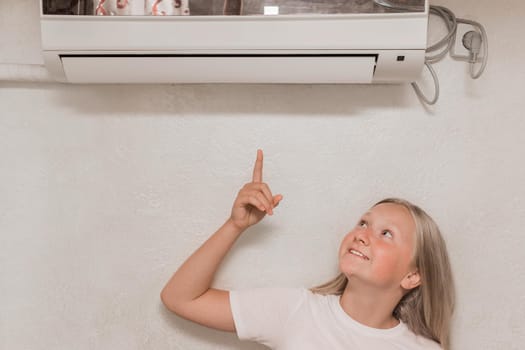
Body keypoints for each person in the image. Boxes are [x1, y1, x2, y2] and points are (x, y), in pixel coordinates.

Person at [161, 150, 455, 350]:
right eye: (363, 223)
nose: (363, 235)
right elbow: (180, 298)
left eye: (386, 233)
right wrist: (234, 226)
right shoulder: (296, 310)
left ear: (413, 275)